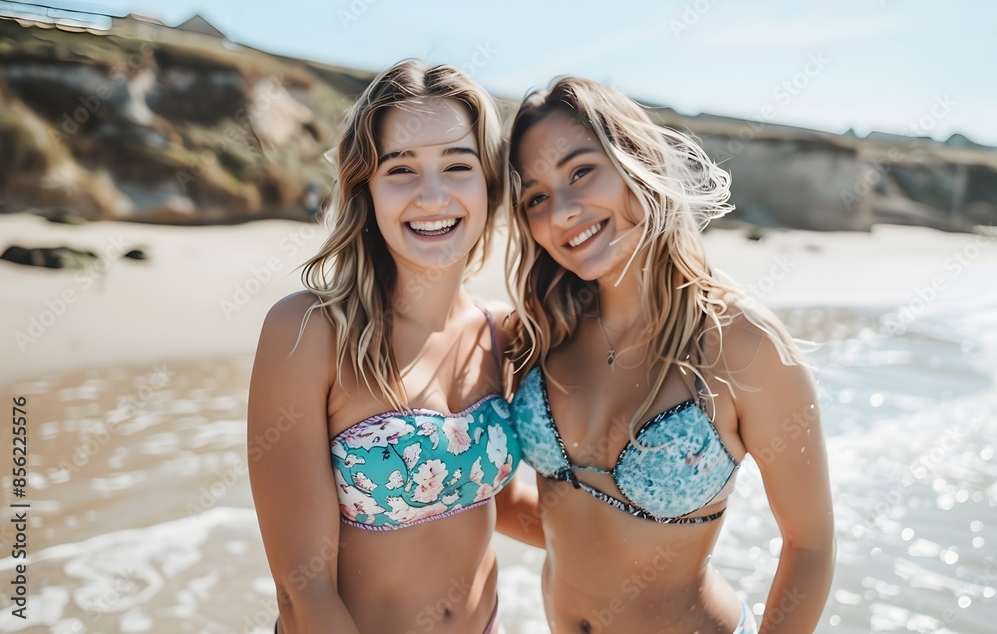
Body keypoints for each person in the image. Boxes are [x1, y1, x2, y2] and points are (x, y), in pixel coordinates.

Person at [504, 77, 835, 634]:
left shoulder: (743, 345)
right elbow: (541, 511)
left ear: (635, 161)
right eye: (536, 196)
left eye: (581, 171)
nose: (561, 211)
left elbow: (811, 544)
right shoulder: (540, 331)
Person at [247, 60, 539, 634]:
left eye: (458, 166)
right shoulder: (308, 333)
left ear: (490, 184)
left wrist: (643, 524)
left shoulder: (505, 335)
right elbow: (302, 592)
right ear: (367, 190)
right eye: (401, 170)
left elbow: (491, 502)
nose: (432, 197)